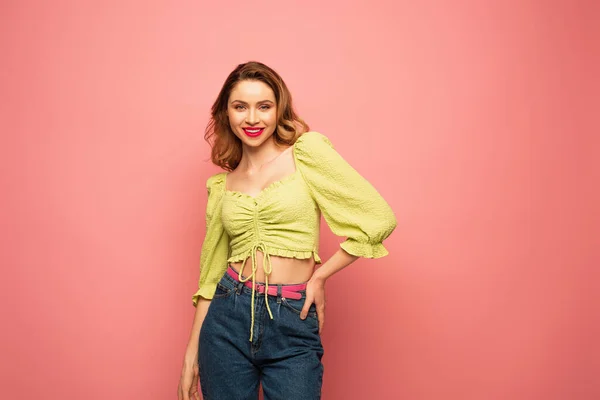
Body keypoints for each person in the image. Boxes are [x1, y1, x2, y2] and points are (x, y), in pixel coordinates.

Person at [178, 61, 397, 400]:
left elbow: (378, 218)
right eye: (240, 107)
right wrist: (191, 353)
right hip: (225, 319)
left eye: (263, 106)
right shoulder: (222, 186)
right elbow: (209, 277)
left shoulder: (306, 152)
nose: (252, 119)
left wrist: (320, 277)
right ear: (226, 113)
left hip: (293, 316)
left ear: (279, 109)